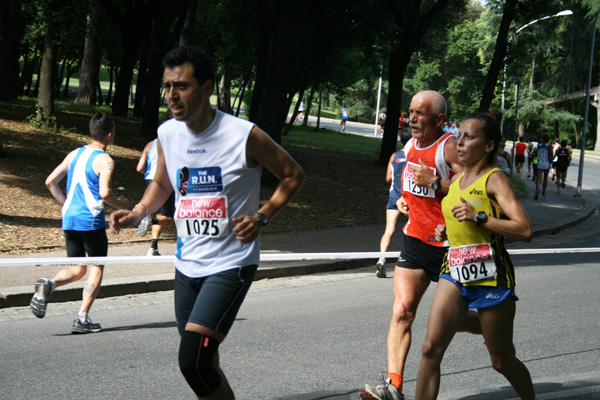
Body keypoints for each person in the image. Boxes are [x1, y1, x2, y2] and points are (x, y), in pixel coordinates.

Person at [109, 45, 304, 399]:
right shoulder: (168, 132)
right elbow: (163, 182)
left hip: (231, 262)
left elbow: (292, 174)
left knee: (193, 362)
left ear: (207, 87)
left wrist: (262, 216)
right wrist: (139, 210)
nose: (172, 95)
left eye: (181, 86)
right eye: (168, 86)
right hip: (187, 262)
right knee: (206, 361)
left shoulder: (243, 135)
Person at [360, 90, 481, 400]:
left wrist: (437, 183)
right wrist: (405, 199)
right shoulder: (410, 145)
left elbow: (475, 184)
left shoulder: (450, 147)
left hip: (451, 247)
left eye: (420, 113)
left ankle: (490, 326)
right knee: (402, 311)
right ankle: (393, 387)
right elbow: (411, 185)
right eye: (410, 112)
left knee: (457, 322)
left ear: (439, 119)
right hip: (415, 241)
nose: (411, 118)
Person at [415, 111, 534, 400]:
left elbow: (524, 229)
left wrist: (478, 217)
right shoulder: (457, 181)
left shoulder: (495, 180)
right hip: (455, 267)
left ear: (489, 145)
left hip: (491, 273)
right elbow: (460, 219)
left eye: (469, 137)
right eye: (459, 137)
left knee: (501, 361)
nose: (460, 143)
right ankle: (478, 322)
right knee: (430, 348)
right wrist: (447, 229)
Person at [30, 112, 129, 334]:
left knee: (77, 268)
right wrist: (121, 205)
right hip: (91, 220)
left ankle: (50, 284)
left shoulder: (74, 154)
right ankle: (82, 318)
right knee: (96, 267)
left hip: (70, 219)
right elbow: (104, 193)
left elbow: (50, 182)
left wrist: (65, 205)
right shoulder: (105, 160)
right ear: (110, 135)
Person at [375, 128, 412, 278]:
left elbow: (388, 178)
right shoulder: (414, 156)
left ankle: (381, 258)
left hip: (394, 197)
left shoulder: (394, 156)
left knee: (389, 230)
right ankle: (409, 261)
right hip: (410, 199)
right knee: (413, 230)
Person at [136, 138, 175, 255]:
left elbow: (139, 168)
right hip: (165, 180)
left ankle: (153, 247)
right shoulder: (173, 141)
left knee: (160, 215)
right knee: (168, 220)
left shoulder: (150, 144)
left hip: (150, 180)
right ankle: (150, 220)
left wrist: (150, 173)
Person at [533, 135, 552, 200]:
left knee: (539, 177)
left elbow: (535, 153)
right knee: (545, 178)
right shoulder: (549, 146)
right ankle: (543, 191)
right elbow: (551, 155)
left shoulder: (539, 145)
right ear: (548, 139)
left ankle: (537, 187)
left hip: (540, 163)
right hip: (547, 163)